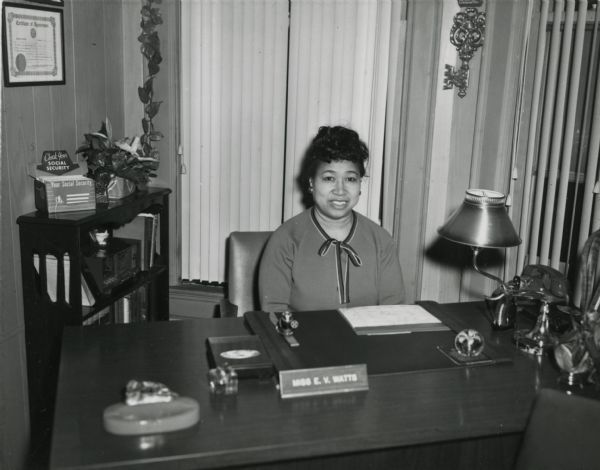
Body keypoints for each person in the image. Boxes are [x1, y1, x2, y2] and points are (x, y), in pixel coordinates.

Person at [258, 125, 405, 312]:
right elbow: (274, 312)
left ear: (360, 184)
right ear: (311, 183)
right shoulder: (285, 239)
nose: (340, 190)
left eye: (350, 179)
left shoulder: (381, 240)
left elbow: (394, 311)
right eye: (329, 178)